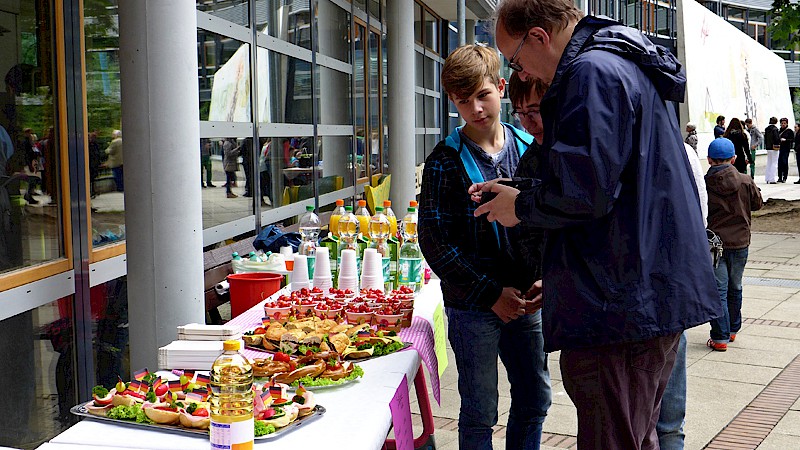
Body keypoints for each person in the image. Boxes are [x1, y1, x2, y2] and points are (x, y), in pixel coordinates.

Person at [475, 2, 721, 448]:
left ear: (538, 37)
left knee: (616, 435)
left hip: (622, 306)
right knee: (632, 432)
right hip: (634, 295)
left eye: (516, 59)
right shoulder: (617, 63)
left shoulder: (592, 71)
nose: (523, 71)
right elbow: (612, 186)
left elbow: (586, 189)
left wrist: (522, 205)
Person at [418, 44, 551, 450]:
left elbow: (552, 223)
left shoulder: (531, 148)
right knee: (479, 411)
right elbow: (434, 242)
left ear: (501, 86)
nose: (475, 109)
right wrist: (490, 294)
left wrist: (549, 276)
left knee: (534, 400)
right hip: (473, 307)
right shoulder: (445, 159)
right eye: (463, 101)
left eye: (483, 95)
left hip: (527, 299)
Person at [705, 138, 763, 351]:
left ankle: (719, 337)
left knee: (719, 290)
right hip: (740, 243)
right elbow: (757, 204)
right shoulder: (746, 180)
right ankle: (732, 330)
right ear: (734, 158)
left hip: (714, 245)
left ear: (709, 159)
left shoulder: (703, 183)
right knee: (735, 286)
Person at [777, 118, 793, 183]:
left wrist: (786, 140)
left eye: (784, 123)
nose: (783, 124)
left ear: (787, 124)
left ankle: (785, 177)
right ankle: (780, 177)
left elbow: (792, 140)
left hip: (786, 148)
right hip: (779, 148)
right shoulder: (778, 131)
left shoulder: (789, 131)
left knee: (784, 162)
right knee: (779, 163)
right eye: (782, 123)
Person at [764, 117, 780, 184]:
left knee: (769, 162)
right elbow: (776, 138)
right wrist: (779, 142)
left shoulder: (766, 129)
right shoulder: (775, 129)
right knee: (774, 163)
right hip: (774, 147)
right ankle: (772, 179)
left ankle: (767, 178)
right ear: (776, 122)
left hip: (768, 147)